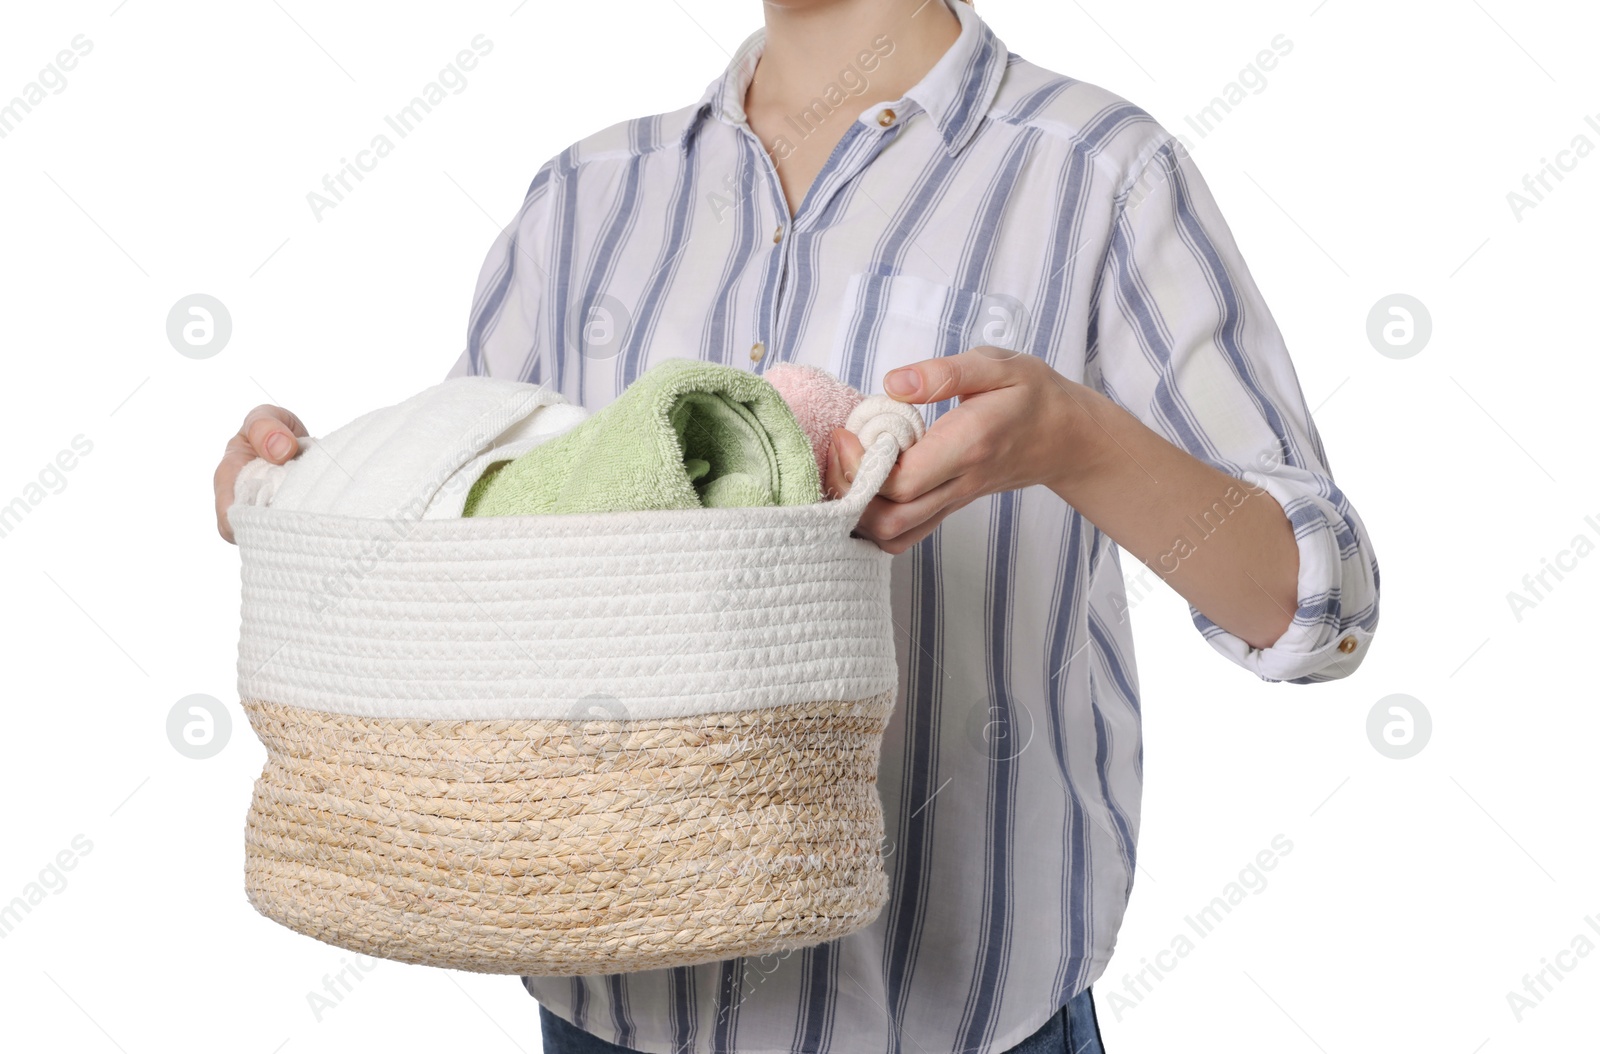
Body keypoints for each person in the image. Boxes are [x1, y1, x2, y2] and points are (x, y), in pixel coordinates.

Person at [212, 0, 1381, 1050]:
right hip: (602, 1018)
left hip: (959, 1024)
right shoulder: (582, 196)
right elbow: (474, 549)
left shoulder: (1098, 173)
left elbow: (1317, 609)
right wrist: (303, 490)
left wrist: (1076, 441)